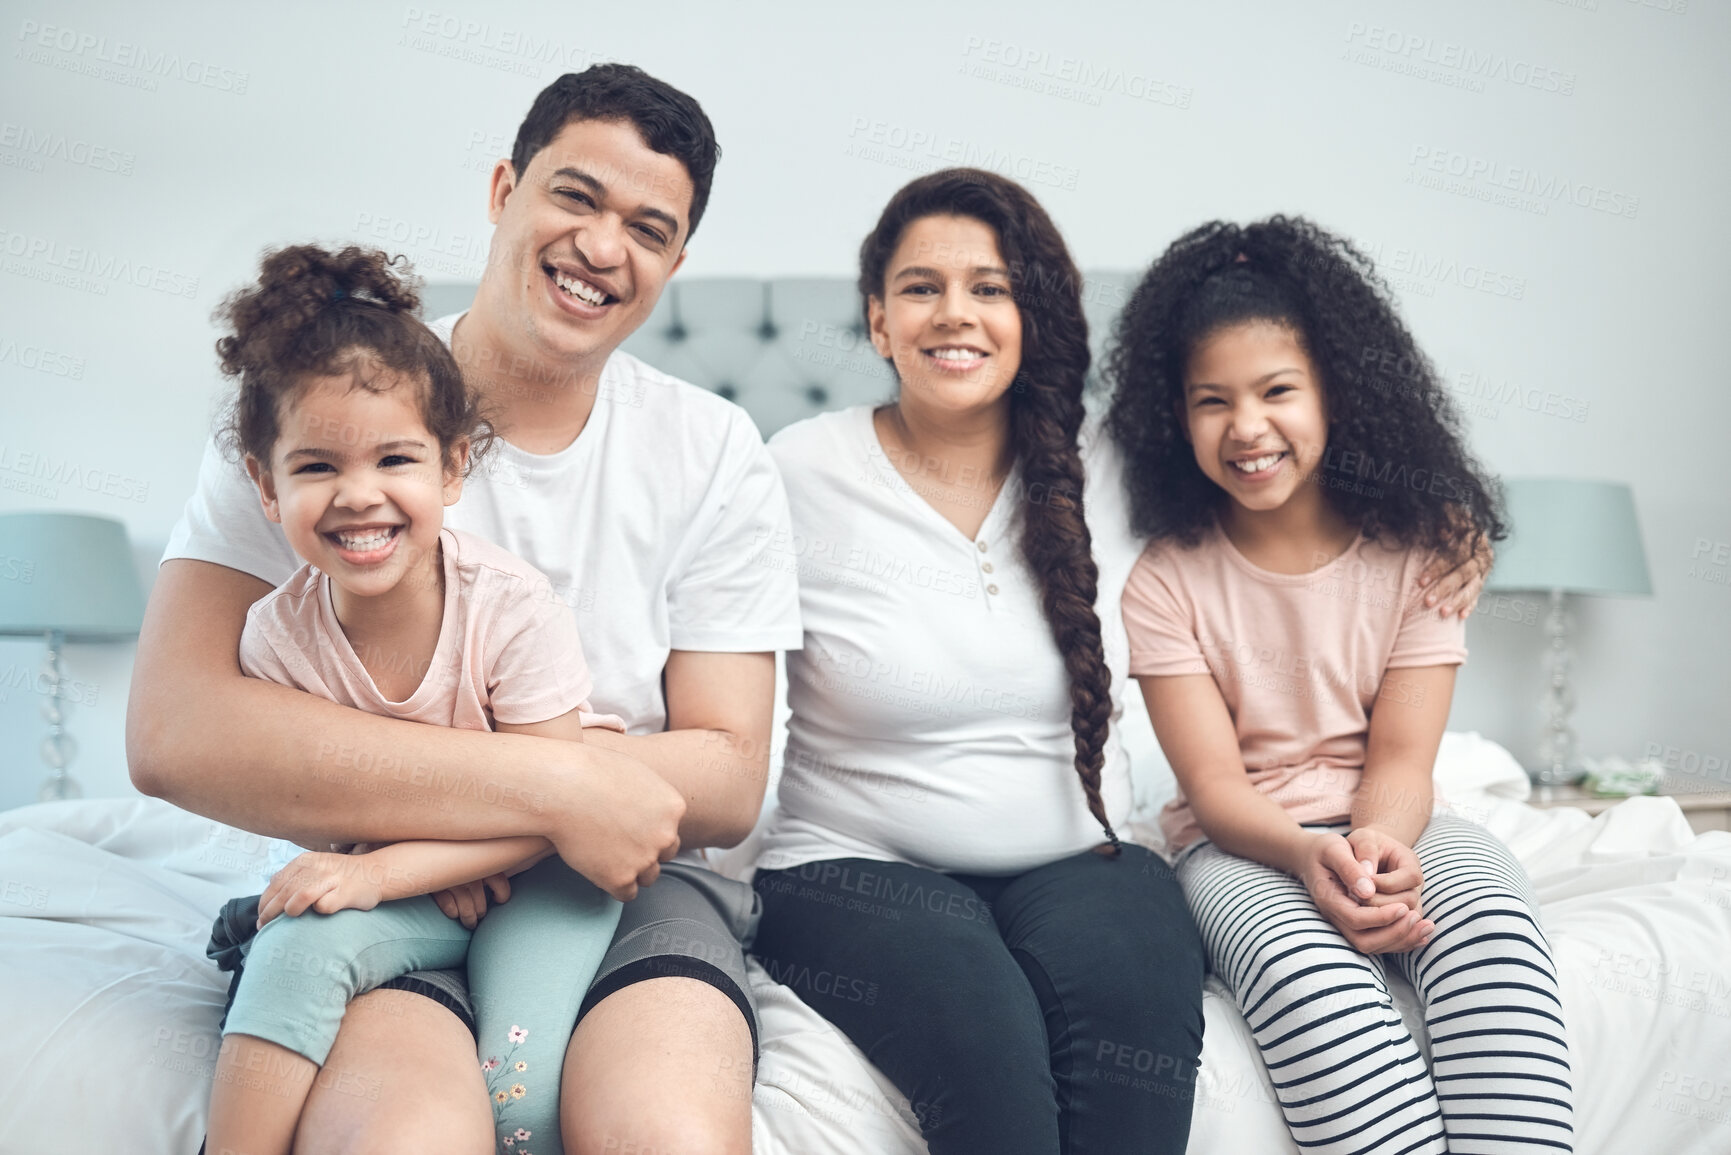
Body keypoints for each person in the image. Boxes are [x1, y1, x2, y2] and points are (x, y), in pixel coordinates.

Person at [129, 65, 799, 1155]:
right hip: (382, 873)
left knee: (664, 1135)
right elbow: (173, 734)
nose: (600, 246)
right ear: (503, 188)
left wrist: (578, 810)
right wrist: (558, 778)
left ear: (675, 262)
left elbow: (726, 777)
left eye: (647, 226)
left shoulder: (712, 449)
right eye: (574, 197)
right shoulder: (323, 407)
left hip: (628, 878)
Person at [747, 168, 1207, 1155]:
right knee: (994, 1066)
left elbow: (1285, 481)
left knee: (1138, 1075)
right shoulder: (793, 470)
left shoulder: (1114, 470)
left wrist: (1443, 536)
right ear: (878, 323)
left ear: (1031, 314)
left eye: (991, 288)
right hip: (849, 866)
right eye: (921, 288)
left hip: (1083, 857)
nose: (956, 313)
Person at [1110, 216, 1573, 1154]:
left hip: (1393, 817)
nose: (1246, 427)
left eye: (1277, 390)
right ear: (1175, 417)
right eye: (1211, 401)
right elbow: (1217, 791)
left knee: (1495, 945)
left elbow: (1404, 758)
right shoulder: (1162, 582)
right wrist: (1309, 857)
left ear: (1336, 393)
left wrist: (1376, 845)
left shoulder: (1425, 554)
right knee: (1314, 991)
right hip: (1241, 845)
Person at [200, 243, 630, 1155]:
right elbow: (319, 803)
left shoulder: (511, 609)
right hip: (413, 870)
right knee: (289, 949)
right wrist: (389, 865)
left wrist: (384, 871)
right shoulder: (275, 636)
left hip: (548, 872)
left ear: (451, 468)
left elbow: (555, 803)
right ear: (265, 485)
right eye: (316, 466)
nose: (360, 496)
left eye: (395, 457)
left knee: (519, 1092)